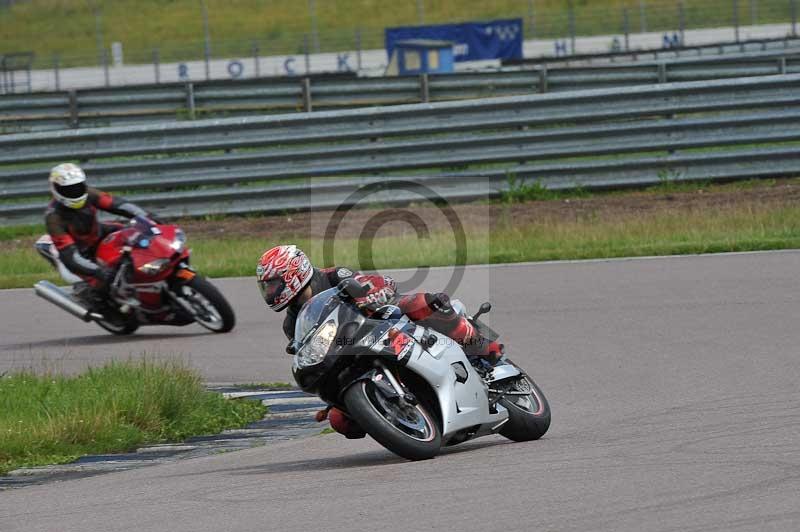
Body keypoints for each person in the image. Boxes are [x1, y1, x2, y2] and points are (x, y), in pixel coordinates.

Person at [256, 244, 504, 438]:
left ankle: (481, 347)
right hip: (349, 347)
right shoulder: (291, 323)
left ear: (294, 273)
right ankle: (394, 415)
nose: (270, 293)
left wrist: (375, 292)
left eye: (273, 284)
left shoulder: (332, 276)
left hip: (382, 317)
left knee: (423, 303)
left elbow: (377, 282)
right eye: (266, 287)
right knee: (339, 421)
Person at [42, 163, 153, 296]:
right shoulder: (54, 218)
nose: (74, 191)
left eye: (78, 186)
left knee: (139, 235)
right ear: (56, 189)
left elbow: (118, 204)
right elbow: (70, 256)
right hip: (81, 251)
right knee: (103, 286)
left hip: (99, 234)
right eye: (68, 189)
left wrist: (147, 216)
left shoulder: (89, 193)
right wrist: (98, 271)